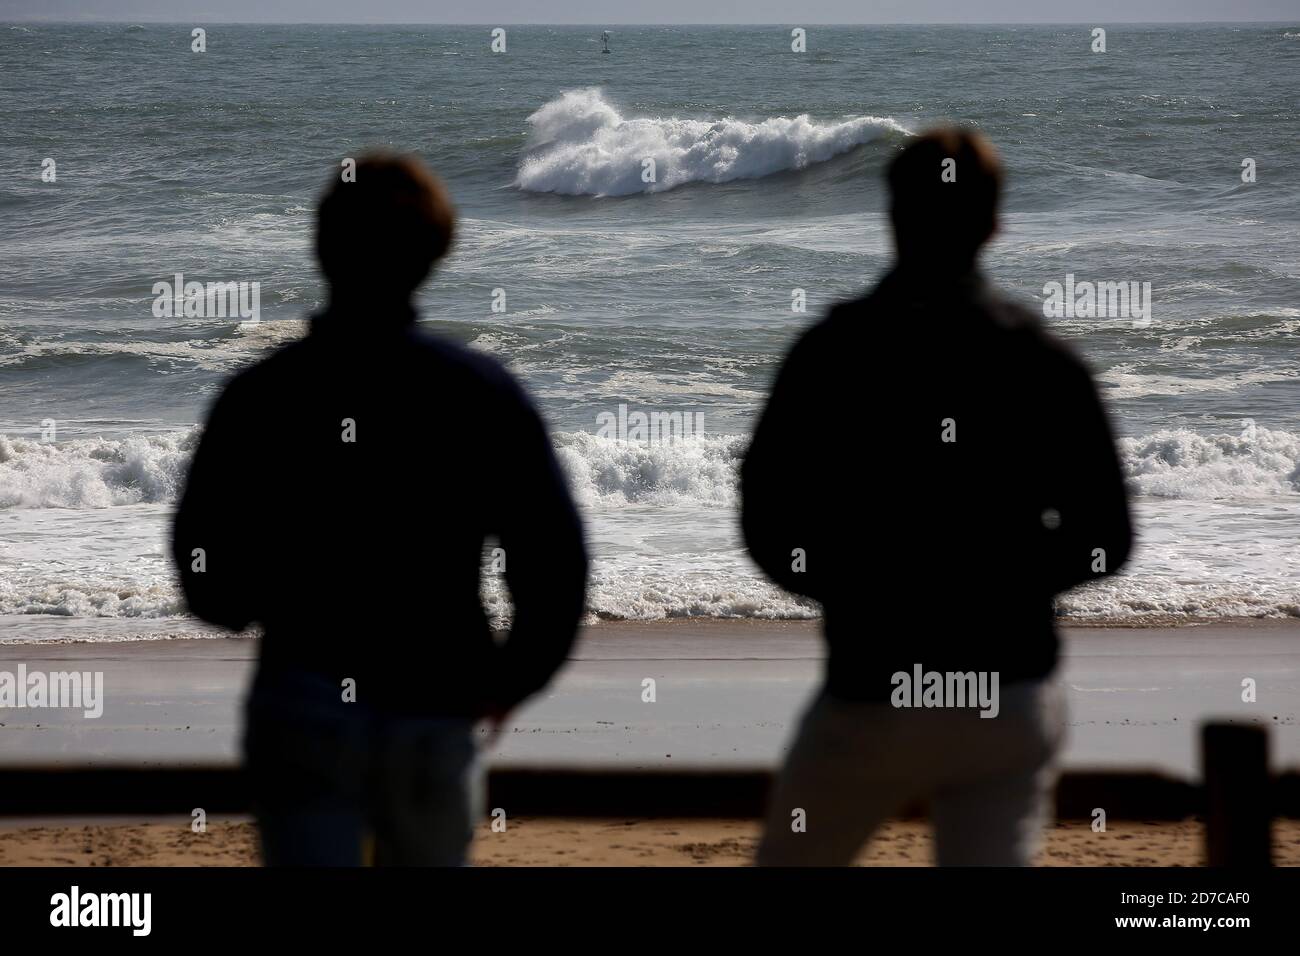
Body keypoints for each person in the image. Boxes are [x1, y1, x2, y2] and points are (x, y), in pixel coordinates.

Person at [172, 154, 588, 866]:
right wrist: (511, 679)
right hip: (436, 698)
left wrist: (260, 602)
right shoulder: (480, 393)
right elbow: (554, 561)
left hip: (303, 693)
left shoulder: (262, 394)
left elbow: (203, 567)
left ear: (321, 249)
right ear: (434, 256)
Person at [742, 129, 1133, 866]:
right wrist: (1008, 584)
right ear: (994, 225)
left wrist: (849, 588)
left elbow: (766, 514)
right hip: (1005, 692)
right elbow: (1106, 538)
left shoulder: (832, 351)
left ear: (891, 216)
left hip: (871, 684)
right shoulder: (1044, 361)